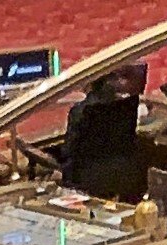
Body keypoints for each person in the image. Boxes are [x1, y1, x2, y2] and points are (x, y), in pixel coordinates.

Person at [57, 71, 151, 202]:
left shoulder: (81, 110)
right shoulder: (128, 104)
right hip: (126, 170)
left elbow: (69, 149)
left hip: (89, 176)